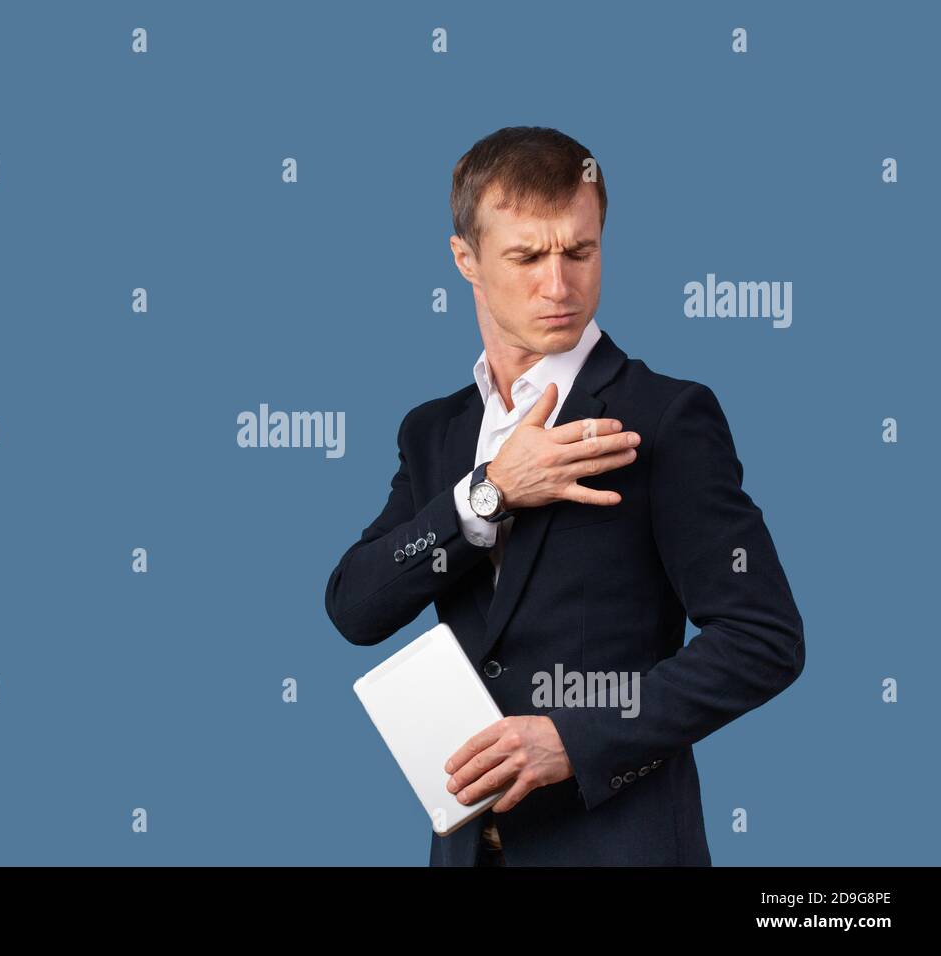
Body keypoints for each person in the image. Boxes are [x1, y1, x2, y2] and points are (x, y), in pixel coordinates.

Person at [323, 126, 805, 866]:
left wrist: (574, 740)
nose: (559, 285)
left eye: (579, 251)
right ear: (466, 260)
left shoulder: (667, 418)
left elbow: (764, 639)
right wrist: (487, 495)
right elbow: (356, 604)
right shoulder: (433, 434)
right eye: (526, 256)